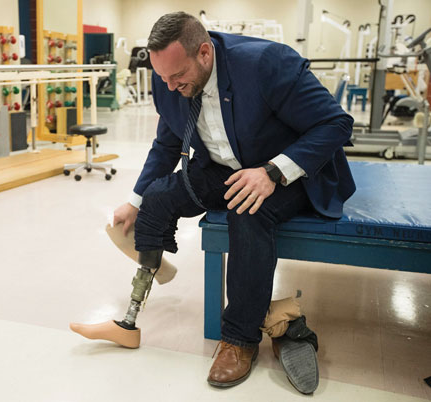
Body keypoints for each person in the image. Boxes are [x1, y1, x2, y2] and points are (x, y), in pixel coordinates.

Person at [112, 11, 355, 389]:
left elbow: (336, 125)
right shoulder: (168, 78)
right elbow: (167, 143)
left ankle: (239, 339)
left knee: (247, 209)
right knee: (158, 198)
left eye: (177, 77)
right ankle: (152, 267)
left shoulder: (266, 64)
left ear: (205, 53)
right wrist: (134, 201)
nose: (170, 86)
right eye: (163, 78)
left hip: (289, 171)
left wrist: (272, 172)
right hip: (226, 166)